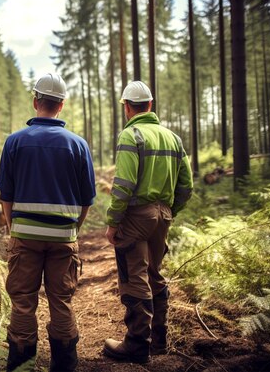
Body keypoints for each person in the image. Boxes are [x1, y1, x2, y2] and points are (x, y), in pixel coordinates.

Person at [0, 73, 96, 372]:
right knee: (61, 300)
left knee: (24, 301)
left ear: (35, 101)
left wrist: (14, 229)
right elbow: (87, 200)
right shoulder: (78, 145)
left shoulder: (15, 142)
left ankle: (22, 365)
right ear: (61, 105)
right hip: (63, 237)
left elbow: (6, 196)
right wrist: (72, 231)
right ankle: (64, 365)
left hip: (24, 235)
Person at [103, 81, 193, 364]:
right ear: (150, 105)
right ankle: (159, 341)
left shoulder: (132, 135)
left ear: (128, 107)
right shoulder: (173, 138)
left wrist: (113, 221)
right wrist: (169, 210)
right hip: (163, 214)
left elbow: (124, 184)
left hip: (136, 216)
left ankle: (136, 344)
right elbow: (186, 185)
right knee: (155, 273)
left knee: (134, 275)